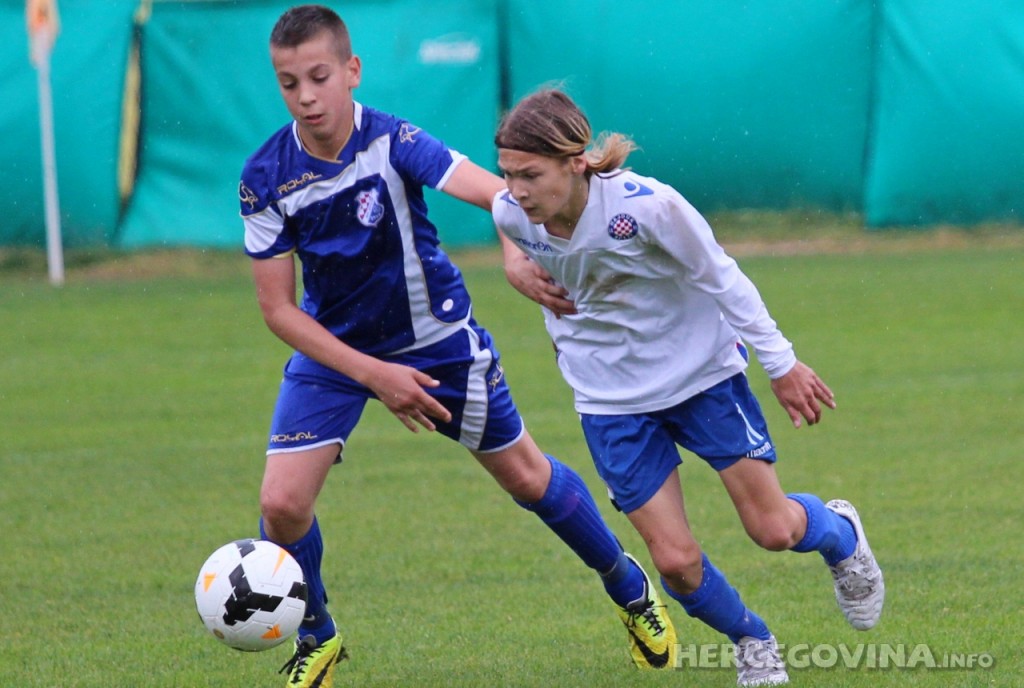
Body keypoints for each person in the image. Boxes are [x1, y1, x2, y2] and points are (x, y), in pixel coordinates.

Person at [239, 8, 677, 687]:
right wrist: (373, 374)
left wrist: (511, 255)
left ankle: (627, 585)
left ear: (351, 72)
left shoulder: (394, 141)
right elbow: (277, 310)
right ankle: (317, 636)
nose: (306, 96)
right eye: (288, 82)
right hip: (337, 352)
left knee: (528, 479)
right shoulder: (264, 174)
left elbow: (500, 194)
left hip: (437, 341)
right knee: (282, 505)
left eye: (320, 77)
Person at [492, 88, 886, 687]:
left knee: (773, 529)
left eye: (529, 174)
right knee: (674, 564)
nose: (516, 190)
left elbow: (723, 278)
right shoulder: (512, 214)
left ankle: (841, 534)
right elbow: (527, 248)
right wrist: (530, 286)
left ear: (575, 162)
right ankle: (753, 639)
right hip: (611, 402)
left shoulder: (648, 206)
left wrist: (782, 364)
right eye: (507, 175)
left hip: (703, 377)